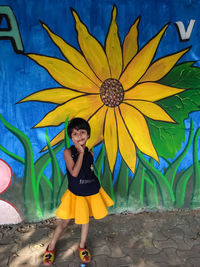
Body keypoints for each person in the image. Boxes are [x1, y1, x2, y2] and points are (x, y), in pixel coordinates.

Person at [43, 117, 114, 265]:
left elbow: (89, 171)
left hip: (91, 192)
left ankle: (82, 246)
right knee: (64, 222)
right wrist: (81, 153)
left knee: (85, 220)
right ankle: (51, 246)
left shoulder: (91, 153)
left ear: (88, 135)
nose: (79, 136)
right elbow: (74, 173)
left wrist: (85, 154)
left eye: (82, 132)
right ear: (71, 137)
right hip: (75, 194)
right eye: (75, 134)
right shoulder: (68, 152)